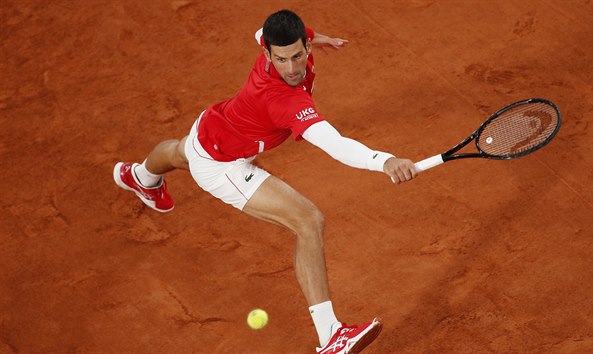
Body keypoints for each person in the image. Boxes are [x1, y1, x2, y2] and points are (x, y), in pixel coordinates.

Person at [113, 9, 417, 353]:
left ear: (305, 44)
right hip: (223, 165)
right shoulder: (284, 98)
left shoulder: (274, 39)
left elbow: (264, 30)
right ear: (267, 55)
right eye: (282, 59)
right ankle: (330, 335)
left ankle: (140, 176)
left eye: (298, 55)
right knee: (308, 220)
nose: (291, 68)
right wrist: (385, 161)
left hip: (213, 124)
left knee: (180, 153)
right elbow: (334, 144)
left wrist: (320, 38)